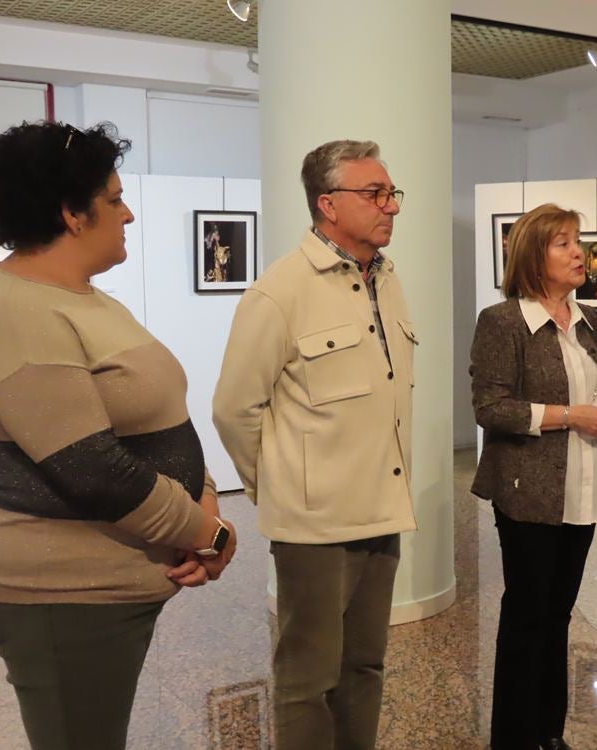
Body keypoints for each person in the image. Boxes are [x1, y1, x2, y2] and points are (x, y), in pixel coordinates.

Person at [0, 121, 237, 750]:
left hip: (107, 586)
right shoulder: (18, 310)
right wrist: (211, 533)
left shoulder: (82, 297)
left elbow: (155, 417)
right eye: (115, 199)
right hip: (60, 594)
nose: (130, 214)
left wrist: (202, 496)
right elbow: (91, 468)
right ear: (72, 213)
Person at [212, 139, 415, 750]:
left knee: (366, 667)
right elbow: (233, 409)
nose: (391, 206)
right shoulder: (280, 291)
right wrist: (279, 486)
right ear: (328, 204)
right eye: (374, 193)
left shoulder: (386, 280)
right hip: (315, 527)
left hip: (383, 511)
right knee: (307, 678)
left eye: (391, 192)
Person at [470, 203, 597, 750]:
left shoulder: (590, 319)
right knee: (527, 617)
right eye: (563, 243)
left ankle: (549, 732)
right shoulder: (502, 322)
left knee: (559, 616)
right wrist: (569, 416)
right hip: (527, 492)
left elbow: (596, 383)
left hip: (584, 485)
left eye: (577, 241)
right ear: (534, 256)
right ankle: (513, 739)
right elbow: (490, 408)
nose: (578, 252)